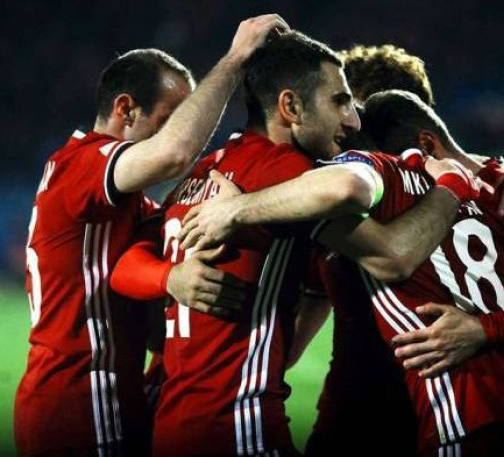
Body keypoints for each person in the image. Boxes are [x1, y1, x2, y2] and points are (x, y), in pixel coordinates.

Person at [179, 89, 504, 456]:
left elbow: (341, 190)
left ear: (420, 147)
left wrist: (239, 205)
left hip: (463, 420)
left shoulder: (390, 177)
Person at [14, 14, 289, 457]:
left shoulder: (129, 202)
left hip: (101, 399)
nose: (185, 130)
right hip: (82, 401)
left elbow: (127, 272)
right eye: (170, 117)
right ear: (126, 109)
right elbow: (173, 153)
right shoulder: (81, 163)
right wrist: (236, 59)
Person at [110, 30, 360, 457]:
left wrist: (169, 277)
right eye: (339, 101)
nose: (352, 120)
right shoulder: (286, 170)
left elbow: (123, 268)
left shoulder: (203, 171)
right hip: (241, 428)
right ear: (290, 106)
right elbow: (358, 203)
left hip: (171, 425)